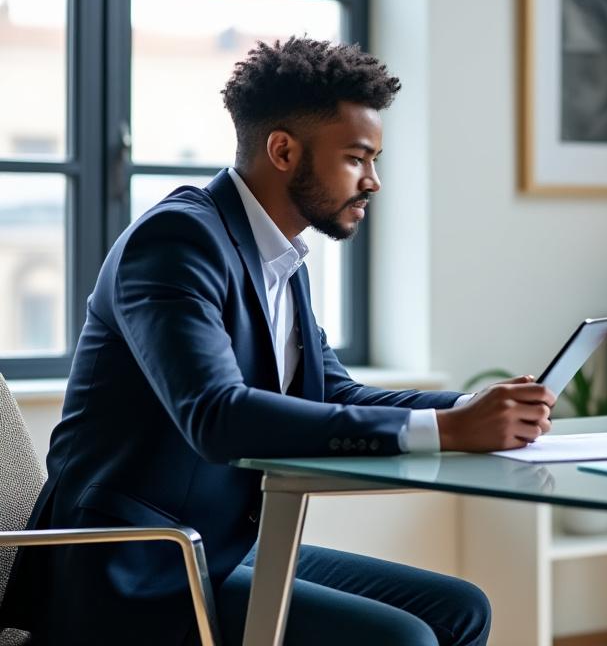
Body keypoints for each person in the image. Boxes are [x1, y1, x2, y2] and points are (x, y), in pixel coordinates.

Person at [0, 38, 554, 646]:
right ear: (284, 150)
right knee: (401, 638)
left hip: (217, 547)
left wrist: (469, 410)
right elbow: (216, 416)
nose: (374, 181)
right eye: (357, 158)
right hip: (133, 566)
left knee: (458, 609)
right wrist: (449, 433)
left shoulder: (281, 258)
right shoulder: (177, 242)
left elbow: (333, 391)